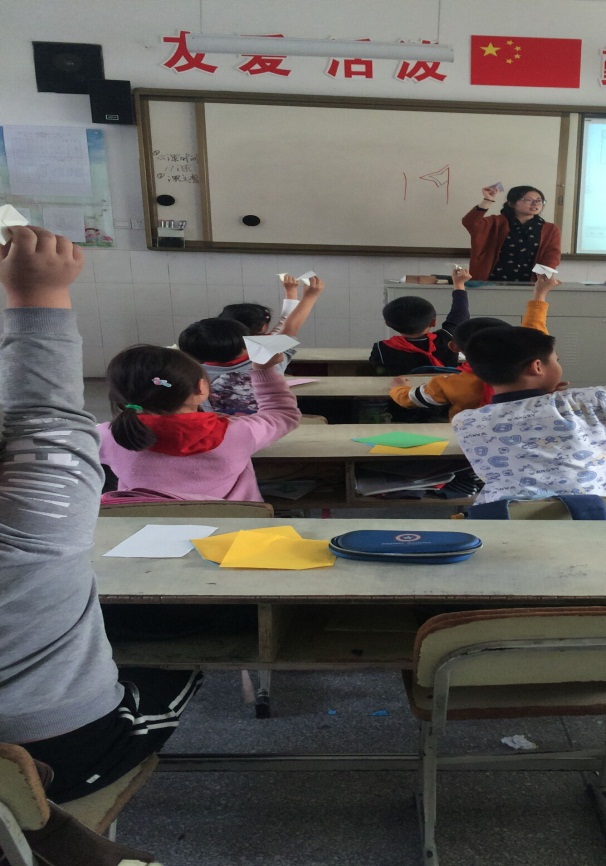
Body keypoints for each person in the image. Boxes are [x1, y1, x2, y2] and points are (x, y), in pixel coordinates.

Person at [0, 225, 201, 865]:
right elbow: (46, 422)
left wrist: (36, 297)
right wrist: (35, 296)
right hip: (55, 749)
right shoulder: (31, 525)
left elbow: (47, 426)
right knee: (186, 654)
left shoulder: (89, 456)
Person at [98, 339, 300, 500]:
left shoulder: (107, 436)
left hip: (140, 528)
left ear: (119, 396)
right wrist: (264, 371)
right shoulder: (239, 432)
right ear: (201, 388)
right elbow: (282, 414)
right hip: (233, 528)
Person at [451, 324, 606, 504]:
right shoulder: (589, 400)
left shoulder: (465, 421)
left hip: (503, 515)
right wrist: (549, 400)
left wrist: (543, 399)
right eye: (556, 360)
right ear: (537, 366)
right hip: (590, 513)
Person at [389, 273, 558, 420]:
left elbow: (411, 399)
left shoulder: (452, 384)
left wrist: (398, 388)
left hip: (468, 439)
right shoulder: (528, 363)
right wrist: (540, 293)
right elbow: (534, 324)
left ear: (456, 348)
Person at [179, 276, 324, 416]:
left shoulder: (190, 374)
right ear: (244, 342)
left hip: (218, 428)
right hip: (270, 426)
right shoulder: (269, 360)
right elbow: (290, 327)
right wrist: (310, 296)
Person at [369, 267, 470, 376]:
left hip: (403, 387)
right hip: (446, 386)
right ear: (433, 322)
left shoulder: (381, 348)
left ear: (388, 324)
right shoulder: (447, 338)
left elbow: (377, 373)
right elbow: (460, 312)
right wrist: (459, 283)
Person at [462, 184, 561, 282]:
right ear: (511, 203)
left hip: (531, 283)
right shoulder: (495, 223)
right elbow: (470, 223)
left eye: (539, 200)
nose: (535, 204)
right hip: (491, 281)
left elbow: (552, 255)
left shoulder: (550, 229)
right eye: (528, 200)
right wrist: (488, 200)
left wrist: (542, 279)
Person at [218, 272, 300, 335]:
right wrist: (292, 291)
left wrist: (290, 290)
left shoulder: (218, 343)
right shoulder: (266, 345)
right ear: (262, 328)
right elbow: (288, 321)